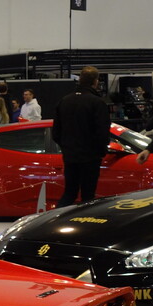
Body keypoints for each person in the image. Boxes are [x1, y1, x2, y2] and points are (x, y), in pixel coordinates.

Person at [51, 66, 110, 207]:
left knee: (69, 193)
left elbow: (56, 132)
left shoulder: (64, 101)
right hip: (90, 157)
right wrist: (101, 151)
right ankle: (85, 226)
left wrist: (66, 147)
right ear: (95, 82)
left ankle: (57, 221)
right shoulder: (97, 103)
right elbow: (102, 132)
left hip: (70, 156)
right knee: (88, 197)